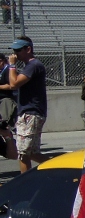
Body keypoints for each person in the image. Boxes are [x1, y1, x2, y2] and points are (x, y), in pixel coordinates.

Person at [7, 38, 48, 172]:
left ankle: (24, 183)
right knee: (31, 152)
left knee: (23, 153)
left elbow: (14, 84)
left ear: (28, 49)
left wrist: (12, 66)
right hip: (29, 112)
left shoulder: (34, 65)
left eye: (18, 50)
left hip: (31, 113)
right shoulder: (29, 66)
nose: (15, 54)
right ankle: (60, 166)